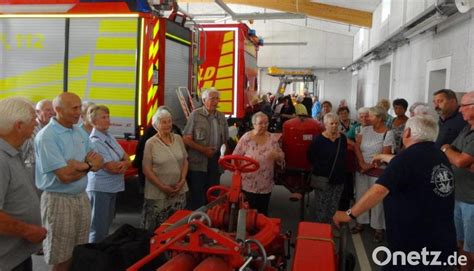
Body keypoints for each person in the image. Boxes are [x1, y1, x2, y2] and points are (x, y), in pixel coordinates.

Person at [334, 115, 457, 271]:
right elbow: (410, 164)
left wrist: (348, 214)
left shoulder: (405, 159)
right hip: (442, 241)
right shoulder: (439, 155)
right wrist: (383, 156)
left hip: (412, 246)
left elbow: (379, 190)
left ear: (407, 133)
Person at [35, 92, 103, 271]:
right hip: (59, 200)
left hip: (81, 197)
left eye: (80, 107)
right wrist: (88, 165)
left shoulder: (79, 130)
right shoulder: (47, 136)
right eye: (75, 108)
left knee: (79, 252)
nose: (79, 112)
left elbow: (98, 162)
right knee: (62, 257)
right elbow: (64, 177)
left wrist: (81, 166)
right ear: (58, 110)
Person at [0, 97, 47, 271]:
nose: (36, 122)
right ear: (19, 126)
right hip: (6, 261)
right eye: (32, 118)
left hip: (16, 255)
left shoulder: (12, 151)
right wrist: (28, 230)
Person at [86, 105, 131, 243]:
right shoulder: (94, 141)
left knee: (106, 225)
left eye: (108, 116)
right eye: (103, 117)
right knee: (98, 228)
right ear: (94, 121)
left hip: (113, 187)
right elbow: (111, 167)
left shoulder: (109, 136)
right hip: (100, 188)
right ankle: (94, 257)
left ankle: (101, 254)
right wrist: (123, 164)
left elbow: (127, 158)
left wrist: (123, 164)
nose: (108, 120)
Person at [441, 91, 474, 271]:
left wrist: (453, 155)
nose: (460, 110)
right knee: (460, 242)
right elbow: (449, 147)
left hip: (472, 200)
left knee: (472, 248)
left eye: (465, 106)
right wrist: (453, 154)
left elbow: (460, 160)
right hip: (459, 196)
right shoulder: (466, 128)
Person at [352, 106, 394, 243]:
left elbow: (385, 155)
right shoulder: (364, 130)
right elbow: (357, 147)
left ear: (380, 118)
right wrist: (361, 163)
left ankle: (378, 228)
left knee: (377, 200)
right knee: (361, 196)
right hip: (362, 169)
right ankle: (360, 221)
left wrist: (368, 166)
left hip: (377, 171)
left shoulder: (388, 133)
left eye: (370, 116)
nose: (367, 118)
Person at [142, 108, 188, 231]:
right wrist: (163, 187)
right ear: (156, 125)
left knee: (176, 226)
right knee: (156, 228)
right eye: (164, 122)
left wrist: (182, 180)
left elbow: (185, 161)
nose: (168, 125)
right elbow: (146, 169)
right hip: (157, 193)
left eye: (169, 121)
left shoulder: (178, 138)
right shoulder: (150, 143)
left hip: (178, 190)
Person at [183, 88, 228, 210]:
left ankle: (211, 218)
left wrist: (224, 154)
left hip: (215, 161)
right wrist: (203, 150)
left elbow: (225, 140)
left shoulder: (221, 117)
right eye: (212, 98)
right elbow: (186, 139)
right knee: (197, 195)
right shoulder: (195, 115)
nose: (215, 101)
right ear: (204, 100)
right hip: (198, 162)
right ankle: (196, 221)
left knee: (213, 193)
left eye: (217, 98)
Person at [232, 112, 284, 215]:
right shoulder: (246, 138)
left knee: (262, 212)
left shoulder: (271, 138)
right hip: (248, 183)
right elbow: (235, 156)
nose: (264, 125)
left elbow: (281, 155)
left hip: (265, 183)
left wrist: (277, 156)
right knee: (247, 213)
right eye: (261, 123)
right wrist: (236, 173)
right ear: (254, 124)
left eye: (266, 123)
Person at [307, 113, 347, 223]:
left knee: (333, 206)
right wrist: (322, 168)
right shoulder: (318, 140)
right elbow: (311, 157)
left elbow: (344, 156)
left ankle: (331, 227)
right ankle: (320, 230)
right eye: (331, 123)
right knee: (321, 207)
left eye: (336, 123)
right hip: (323, 179)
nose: (334, 126)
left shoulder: (342, 138)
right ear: (325, 125)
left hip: (338, 179)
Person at [22, 99, 55, 180]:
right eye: (48, 110)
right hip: (33, 170)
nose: (52, 112)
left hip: (52, 170)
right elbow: (22, 154)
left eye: (53, 110)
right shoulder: (30, 128)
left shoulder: (55, 128)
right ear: (37, 112)